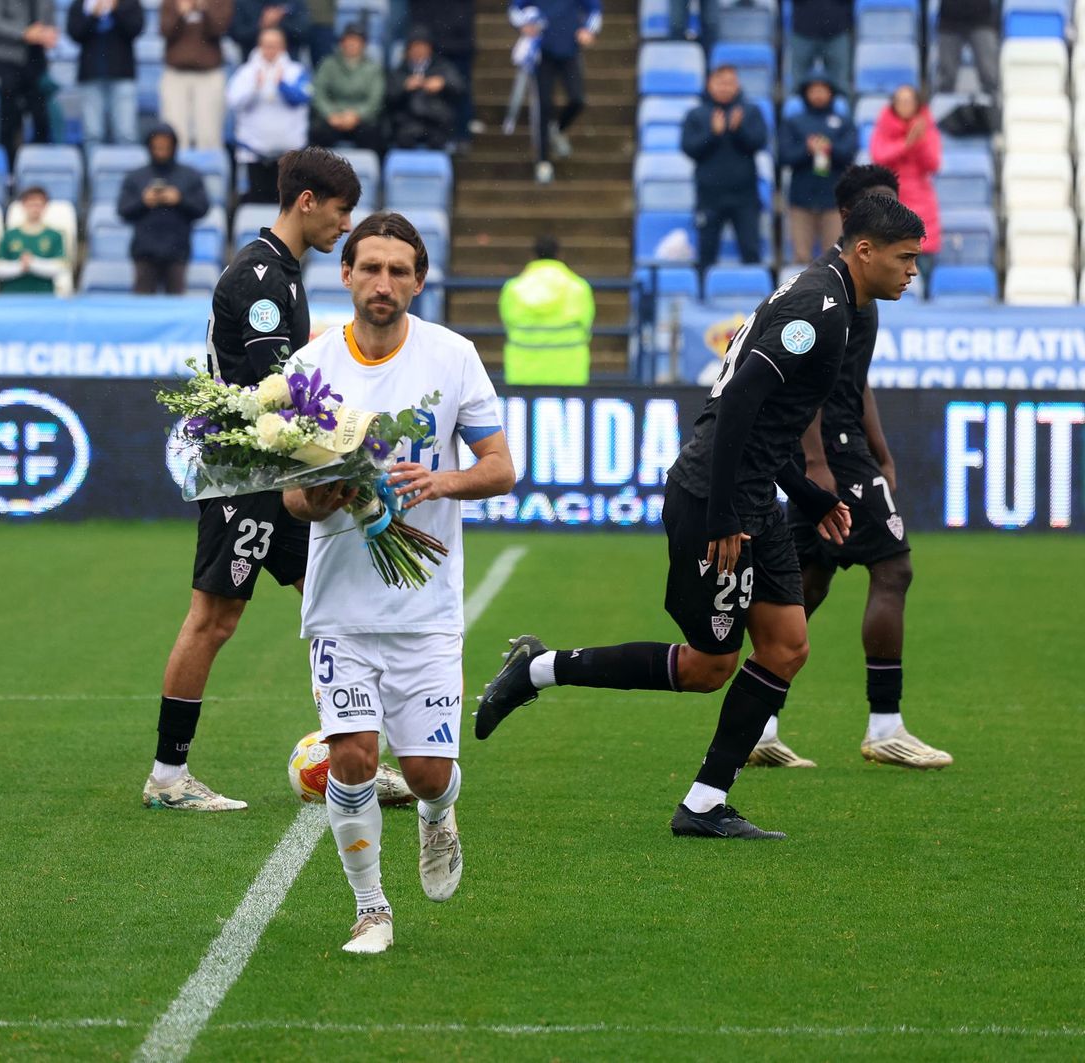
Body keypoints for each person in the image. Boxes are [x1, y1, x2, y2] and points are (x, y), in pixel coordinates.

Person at [475, 195, 929, 841]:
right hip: (717, 500)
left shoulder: (828, 298)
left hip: (753, 499)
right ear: (864, 250)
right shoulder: (820, 311)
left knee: (787, 645)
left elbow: (767, 426)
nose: (913, 270)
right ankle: (539, 668)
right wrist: (724, 515)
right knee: (707, 667)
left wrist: (806, 495)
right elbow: (740, 401)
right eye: (905, 257)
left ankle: (705, 803)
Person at [283, 212, 514, 954]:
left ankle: (438, 812)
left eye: (399, 271)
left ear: (418, 280)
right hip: (340, 607)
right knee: (351, 757)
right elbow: (291, 497)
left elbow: (501, 466)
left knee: (425, 771)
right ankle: (371, 908)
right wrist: (325, 491)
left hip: (427, 605)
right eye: (370, 268)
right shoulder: (309, 366)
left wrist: (441, 479)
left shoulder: (451, 356)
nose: (384, 283)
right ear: (346, 274)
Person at [143, 145, 367, 811]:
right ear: (307, 202)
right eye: (341, 210)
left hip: (276, 477)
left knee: (329, 602)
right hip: (244, 474)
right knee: (213, 618)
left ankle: (354, 755)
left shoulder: (285, 273)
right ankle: (166, 776)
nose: (346, 224)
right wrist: (348, 451)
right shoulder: (261, 278)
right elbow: (278, 393)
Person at [756, 169, 954, 771]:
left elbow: (853, 378)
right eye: (880, 210)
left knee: (806, 587)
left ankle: (759, 725)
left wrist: (884, 449)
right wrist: (818, 460)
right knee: (893, 569)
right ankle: (885, 725)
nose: (896, 223)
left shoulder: (858, 287)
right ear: (852, 221)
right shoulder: (831, 291)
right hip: (831, 450)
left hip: (844, 445)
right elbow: (810, 385)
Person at [681, 64, 767, 268]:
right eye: (720, 83)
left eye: (730, 83)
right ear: (709, 84)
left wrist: (739, 130)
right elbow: (689, 148)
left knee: (751, 252)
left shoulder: (750, 111)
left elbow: (759, 143)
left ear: (737, 85)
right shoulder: (697, 114)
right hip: (709, 197)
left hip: (745, 197)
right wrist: (712, 134)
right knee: (706, 255)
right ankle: (704, 297)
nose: (725, 87)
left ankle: (755, 298)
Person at [510, 0, 600, 184]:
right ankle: (543, 161)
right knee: (543, 105)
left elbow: (594, 9)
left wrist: (588, 30)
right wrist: (524, 24)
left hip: (570, 49)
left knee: (577, 99)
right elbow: (515, 8)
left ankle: (557, 129)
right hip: (543, 52)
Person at [118, 121, 209, 294]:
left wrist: (179, 199)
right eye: (157, 145)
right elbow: (122, 210)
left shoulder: (189, 176)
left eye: (165, 145)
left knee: (176, 305)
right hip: (144, 252)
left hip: (177, 252)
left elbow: (202, 208)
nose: (161, 149)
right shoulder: (136, 177)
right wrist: (143, 201)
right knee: (142, 307)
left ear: (174, 146)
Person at [226, 27, 311, 205]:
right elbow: (233, 101)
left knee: (284, 203)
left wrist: (282, 85)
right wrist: (254, 87)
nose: (270, 50)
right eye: (266, 45)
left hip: (288, 154)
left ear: (283, 47)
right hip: (254, 151)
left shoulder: (295, 71)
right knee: (256, 202)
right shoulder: (246, 72)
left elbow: (303, 97)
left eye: (274, 45)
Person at [780, 73, 856, 264]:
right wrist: (807, 149)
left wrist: (829, 148)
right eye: (814, 90)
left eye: (823, 90)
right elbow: (784, 156)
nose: (818, 95)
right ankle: (801, 294)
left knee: (834, 258)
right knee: (801, 256)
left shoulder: (843, 122)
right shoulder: (794, 122)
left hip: (834, 199)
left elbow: (849, 153)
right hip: (801, 199)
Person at [499, 235, 595, 385]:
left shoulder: (513, 288)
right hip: (570, 375)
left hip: (522, 376)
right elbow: (586, 330)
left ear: (532, 256)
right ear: (560, 255)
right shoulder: (579, 288)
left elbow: (508, 325)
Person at [870, 86, 942, 278]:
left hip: (921, 203)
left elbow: (933, 163)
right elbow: (879, 156)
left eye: (909, 100)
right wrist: (906, 144)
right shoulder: (884, 127)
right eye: (901, 101)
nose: (905, 105)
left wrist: (919, 142)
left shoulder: (926, 128)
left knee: (922, 263)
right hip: (892, 201)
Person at [0, 0, 58, 161]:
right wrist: (24, 33)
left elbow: (50, 21)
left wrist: (48, 34)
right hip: (8, 61)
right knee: (9, 119)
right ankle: (9, 171)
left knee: (41, 118)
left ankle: (36, 166)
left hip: (36, 62)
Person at [66, 0, 143, 146]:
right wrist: (93, 16)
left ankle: (126, 168)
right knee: (92, 134)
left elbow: (135, 29)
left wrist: (116, 9)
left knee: (126, 133)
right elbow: (75, 33)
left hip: (122, 73)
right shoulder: (81, 3)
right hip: (91, 74)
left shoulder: (129, 3)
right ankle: (94, 168)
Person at [159, 0, 231, 151]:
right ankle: (177, 173)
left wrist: (204, 9)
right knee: (175, 132)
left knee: (209, 134)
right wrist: (181, 13)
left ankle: (209, 173)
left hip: (209, 73)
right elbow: (165, 31)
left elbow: (220, 29)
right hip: (176, 74)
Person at [385, 28, 463, 151]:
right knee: (402, 138)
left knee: (439, 140)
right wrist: (404, 87)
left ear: (430, 48)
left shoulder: (442, 67)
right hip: (407, 123)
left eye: (422, 47)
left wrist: (444, 84)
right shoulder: (399, 71)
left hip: (436, 122)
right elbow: (387, 98)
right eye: (415, 47)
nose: (419, 51)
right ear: (408, 50)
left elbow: (460, 89)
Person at [309, 23, 383, 152]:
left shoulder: (373, 68)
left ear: (363, 45)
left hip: (360, 120)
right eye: (348, 40)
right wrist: (330, 113)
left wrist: (356, 114)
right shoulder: (328, 64)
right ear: (342, 43)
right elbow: (318, 93)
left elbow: (375, 100)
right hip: (332, 118)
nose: (352, 44)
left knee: (373, 134)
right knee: (317, 133)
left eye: (356, 41)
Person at [410, 0, 478, 137]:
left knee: (460, 93)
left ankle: (461, 136)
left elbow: (463, 17)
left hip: (458, 48)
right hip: (434, 45)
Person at [0, 184, 68, 294]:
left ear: (45, 206)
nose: (35, 209)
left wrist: (33, 263)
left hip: (44, 297)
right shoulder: (9, 235)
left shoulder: (55, 236)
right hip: (11, 296)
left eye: (39, 205)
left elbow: (59, 267)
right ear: (23, 205)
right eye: (31, 204)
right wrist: (20, 266)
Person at [935, 0, 999, 97]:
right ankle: (944, 109)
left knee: (989, 74)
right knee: (946, 78)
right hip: (949, 20)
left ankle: (993, 108)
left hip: (982, 19)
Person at [787, 0, 851, 95]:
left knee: (841, 86)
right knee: (797, 86)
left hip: (837, 30)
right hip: (803, 31)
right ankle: (796, 110)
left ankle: (841, 109)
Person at [229, 0, 305, 55]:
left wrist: (279, 21)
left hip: (289, 61)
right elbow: (237, 34)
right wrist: (262, 25)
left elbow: (304, 32)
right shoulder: (242, 3)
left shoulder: (294, 2)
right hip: (252, 65)